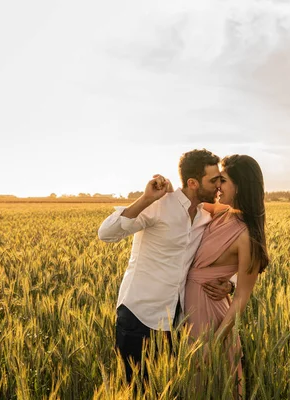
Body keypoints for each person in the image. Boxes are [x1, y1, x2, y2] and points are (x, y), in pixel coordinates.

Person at [97, 149, 234, 382]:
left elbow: (225, 256)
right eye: (213, 180)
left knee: (165, 390)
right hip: (139, 315)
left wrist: (230, 285)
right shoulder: (159, 205)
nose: (218, 186)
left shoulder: (206, 217)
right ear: (192, 182)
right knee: (134, 390)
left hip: (175, 322)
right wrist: (146, 198)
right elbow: (106, 233)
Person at [184, 154, 269, 395]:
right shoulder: (222, 213)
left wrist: (216, 341)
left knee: (208, 385)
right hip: (189, 311)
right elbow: (192, 202)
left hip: (211, 319)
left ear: (240, 185)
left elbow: (242, 296)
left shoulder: (247, 237)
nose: (217, 186)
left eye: (223, 180)